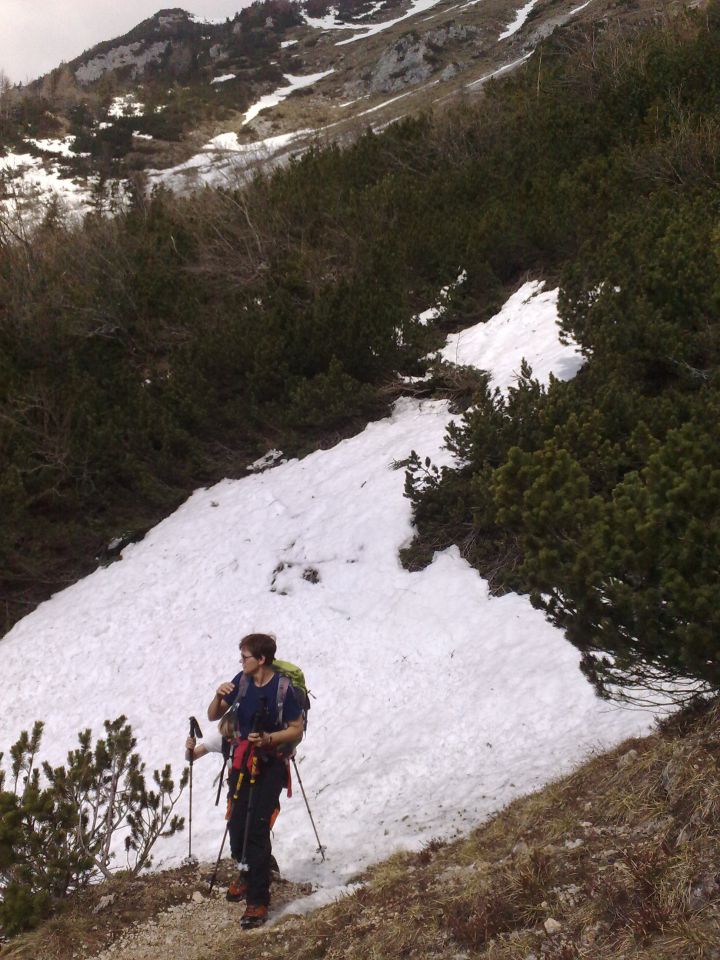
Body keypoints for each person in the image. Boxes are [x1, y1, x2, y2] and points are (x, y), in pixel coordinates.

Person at [207, 632, 303, 928]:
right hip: (242, 762)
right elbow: (213, 716)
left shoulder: (284, 689)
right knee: (237, 826)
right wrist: (218, 695)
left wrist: (268, 739)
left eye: (245, 656)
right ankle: (248, 874)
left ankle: (258, 901)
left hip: (270, 764)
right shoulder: (242, 681)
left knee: (257, 827)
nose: (241, 661)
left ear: (261, 659)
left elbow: (296, 729)